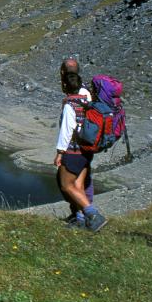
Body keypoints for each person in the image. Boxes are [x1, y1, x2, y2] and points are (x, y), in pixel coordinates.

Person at [54, 58, 107, 232]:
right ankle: (80, 219)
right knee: (78, 185)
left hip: (73, 150)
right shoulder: (87, 96)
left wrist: (60, 152)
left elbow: (66, 131)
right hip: (87, 149)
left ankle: (94, 215)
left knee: (66, 185)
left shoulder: (70, 104)